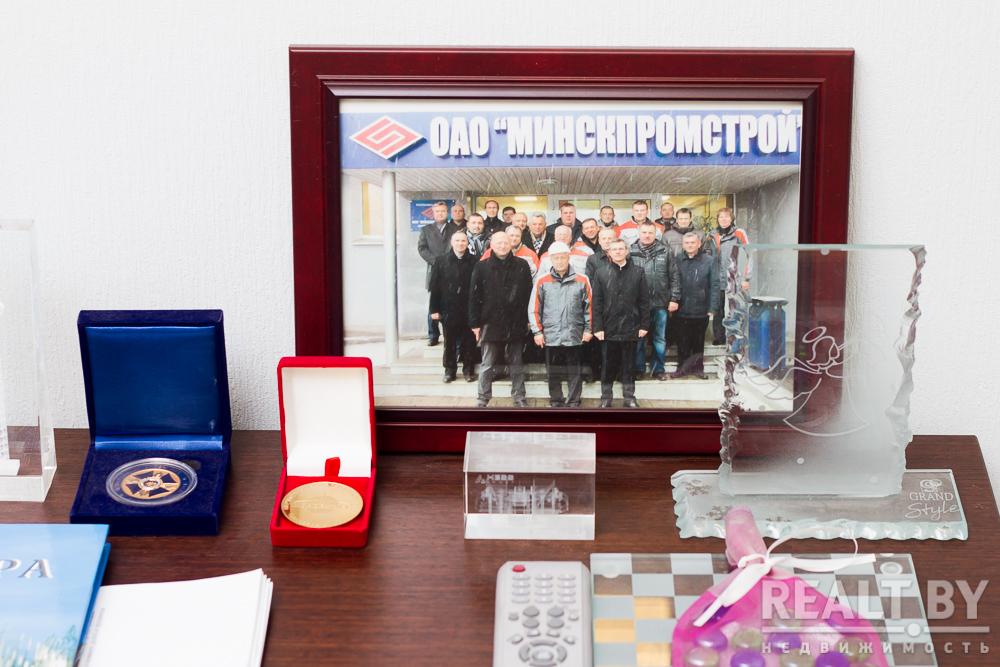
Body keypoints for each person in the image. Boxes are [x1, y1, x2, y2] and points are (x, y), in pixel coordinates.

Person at [469, 232, 534, 407]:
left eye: (505, 242)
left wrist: (529, 319)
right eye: (499, 243)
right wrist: (475, 323)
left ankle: (519, 396)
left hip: (516, 321)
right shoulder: (481, 267)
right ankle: (483, 397)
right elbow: (474, 297)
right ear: (491, 245)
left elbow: (528, 294)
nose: (503, 246)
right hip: (490, 322)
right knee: (487, 363)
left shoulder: (522, 265)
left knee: (516, 363)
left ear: (511, 243)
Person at [529, 242, 593, 407]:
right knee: (553, 371)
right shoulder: (542, 281)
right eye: (556, 258)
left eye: (563, 257)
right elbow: (534, 308)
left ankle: (573, 401)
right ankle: (556, 400)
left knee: (574, 370)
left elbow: (590, 308)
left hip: (574, 333)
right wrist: (537, 332)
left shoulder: (582, 279)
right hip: (551, 335)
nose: (559, 261)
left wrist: (589, 329)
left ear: (568, 257)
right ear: (551, 259)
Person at [592, 238, 650, 408]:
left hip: (631, 326)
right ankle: (606, 397)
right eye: (614, 249)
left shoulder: (638, 272)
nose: (617, 252)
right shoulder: (601, 273)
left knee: (629, 365)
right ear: (609, 252)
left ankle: (629, 397)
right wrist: (598, 327)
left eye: (620, 249)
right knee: (607, 365)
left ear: (626, 251)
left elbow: (644, 301)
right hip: (608, 327)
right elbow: (597, 302)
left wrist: (644, 325)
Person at [630, 221, 681, 380]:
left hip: (660, 303)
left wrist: (674, 298)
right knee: (638, 338)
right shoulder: (630, 251)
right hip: (638, 305)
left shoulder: (665, 251)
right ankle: (638, 369)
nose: (647, 236)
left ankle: (658, 369)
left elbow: (674, 276)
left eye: (650, 233)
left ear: (655, 234)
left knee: (659, 338)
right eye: (644, 232)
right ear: (639, 233)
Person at [429, 230, 477, 383]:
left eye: (463, 241)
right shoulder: (441, 261)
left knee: (469, 341)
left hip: (469, 309)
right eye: (457, 241)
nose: (460, 244)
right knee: (449, 341)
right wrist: (434, 309)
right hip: (448, 309)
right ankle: (449, 370)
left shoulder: (475, 261)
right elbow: (435, 287)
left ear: (467, 243)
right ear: (452, 243)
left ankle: (468, 370)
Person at [671, 232, 719, 379]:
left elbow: (714, 285)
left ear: (699, 244)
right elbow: (672, 281)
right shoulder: (677, 259)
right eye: (687, 243)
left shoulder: (709, 260)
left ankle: (698, 369)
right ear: (683, 245)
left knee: (698, 342)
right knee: (682, 341)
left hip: (701, 308)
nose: (690, 245)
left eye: (693, 242)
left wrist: (712, 307)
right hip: (681, 308)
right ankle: (682, 369)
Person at [417, 201, 458, 346]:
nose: (440, 214)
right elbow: (422, 249)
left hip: (452, 270)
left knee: (452, 304)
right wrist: (437, 261)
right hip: (434, 270)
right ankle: (433, 335)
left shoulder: (456, 229)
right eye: (437, 211)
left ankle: (450, 334)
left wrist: (448, 261)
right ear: (433, 214)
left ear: (447, 213)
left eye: (443, 211)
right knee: (433, 303)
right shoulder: (426, 230)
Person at [708, 207, 750, 345]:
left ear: (732, 219)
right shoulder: (712, 235)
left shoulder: (739, 233)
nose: (724, 219)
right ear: (717, 219)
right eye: (721, 217)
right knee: (718, 309)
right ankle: (719, 338)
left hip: (734, 279)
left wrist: (746, 278)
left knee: (735, 309)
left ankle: (735, 339)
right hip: (717, 278)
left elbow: (750, 254)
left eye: (727, 217)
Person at [583, 227, 618, 382]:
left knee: (615, 343)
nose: (607, 241)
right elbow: (590, 282)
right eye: (604, 238)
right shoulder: (593, 259)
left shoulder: (622, 256)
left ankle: (613, 373)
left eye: (610, 238)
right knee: (597, 341)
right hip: (600, 305)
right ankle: (596, 373)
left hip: (618, 307)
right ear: (599, 240)